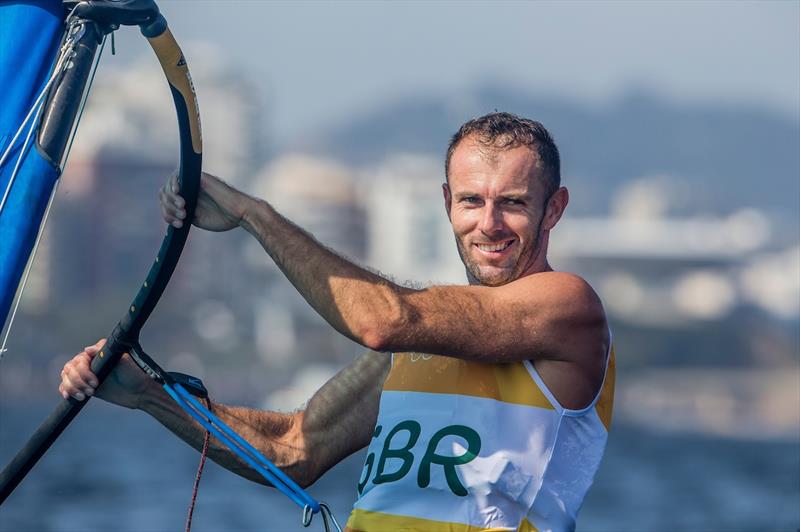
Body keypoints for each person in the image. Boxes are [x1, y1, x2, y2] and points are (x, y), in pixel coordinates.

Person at [60, 112, 615, 531]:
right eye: (471, 200)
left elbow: (384, 319)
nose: (489, 223)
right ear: (448, 203)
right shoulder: (419, 344)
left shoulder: (569, 307)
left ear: (555, 208)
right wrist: (150, 395)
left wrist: (254, 215)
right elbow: (295, 448)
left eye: (513, 202)